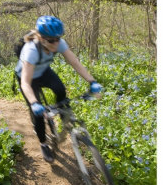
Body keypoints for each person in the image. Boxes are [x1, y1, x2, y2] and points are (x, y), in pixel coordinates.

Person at [15, 15, 102, 163]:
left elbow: (74, 62)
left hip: (43, 71)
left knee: (60, 89)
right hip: (28, 78)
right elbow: (25, 82)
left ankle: (65, 118)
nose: (56, 43)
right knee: (38, 115)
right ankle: (43, 144)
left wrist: (91, 81)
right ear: (42, 38)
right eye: (51, 40)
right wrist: (35, 103)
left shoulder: (58, 42)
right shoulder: (31, 50)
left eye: (58, 38)